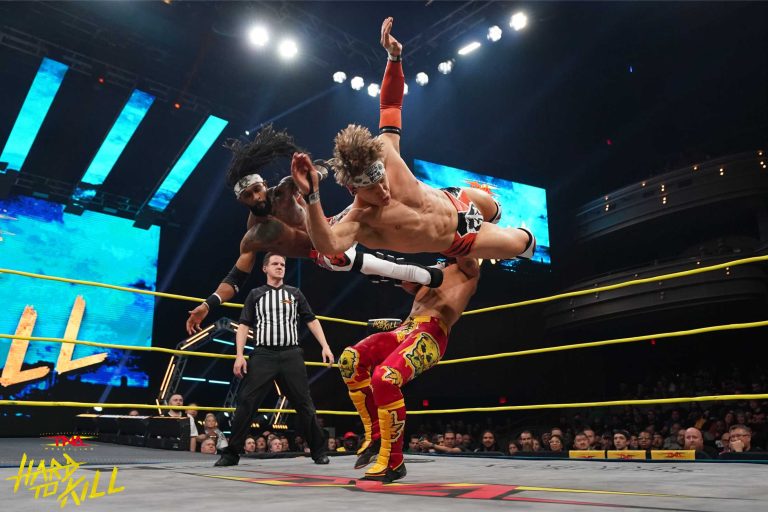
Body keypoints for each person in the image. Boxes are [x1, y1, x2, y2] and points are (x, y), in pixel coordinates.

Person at [291, 17, 536, 262]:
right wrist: (312, 196)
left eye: (381, 180)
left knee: (496, 209)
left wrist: (394, 57)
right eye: (372, 189)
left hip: (453, 198)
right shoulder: (361, 220)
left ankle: (497, 223)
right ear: (353, 188)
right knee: (525, 243)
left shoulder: (385, 150)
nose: (383, 190)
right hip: (459, 239)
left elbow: (390, 105)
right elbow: (329, 245)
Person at [186, 126, 442, 335]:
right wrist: (208, 305)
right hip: (320, 251)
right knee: (349, 260)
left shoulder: (285, 189)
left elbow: (318, 170)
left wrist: (314, 173)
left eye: (256, 190)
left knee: (376, 202)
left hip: (330, 224)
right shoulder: (253, 236)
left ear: (263, 184)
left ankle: (440, 215)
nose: (255, 197)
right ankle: (429, 274)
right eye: (248, 196)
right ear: (241, 200)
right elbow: (235, 279)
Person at [338, 256, 480, 482]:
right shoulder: (436, 270)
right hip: (405, 329)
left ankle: (393, 461)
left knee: (385, 378)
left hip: (431, 333)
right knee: (350, 360)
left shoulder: (469, 267)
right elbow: (406, 281)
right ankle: (376, 435)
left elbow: (464, 246)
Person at [214, 253, 331, 467]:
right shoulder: (255, 294)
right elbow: (244, 325)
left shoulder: (295, 293)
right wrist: (239, 355)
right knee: (246, 402)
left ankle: (319, 451)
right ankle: (231, 453)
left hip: (291, 354)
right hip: (263, 354)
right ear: (265, 268)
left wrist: (325, 345)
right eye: (275, 264)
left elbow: (311, 320)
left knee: (304, 404)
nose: (280, 267)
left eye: (283, 264)